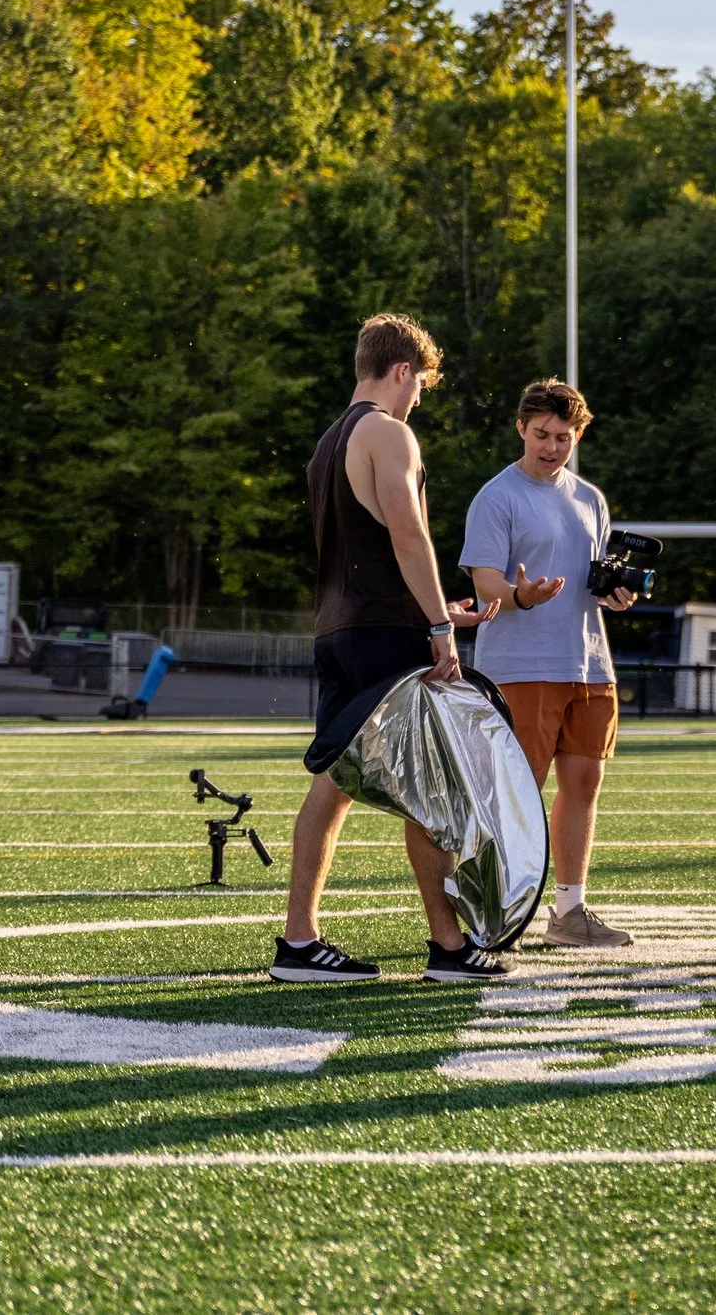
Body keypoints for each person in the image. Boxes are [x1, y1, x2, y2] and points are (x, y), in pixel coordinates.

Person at [276, 315, 500, 985]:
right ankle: (449, 947)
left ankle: (298, 942)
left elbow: (365, 553)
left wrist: (435, 606)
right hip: (386, 637)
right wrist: (438, 626)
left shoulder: (327, 443)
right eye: (421, 384)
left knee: (333, 785)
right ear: (403, 370)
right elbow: (406, 532)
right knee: (433, 788)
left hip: (338, 632)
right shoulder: (388, 431)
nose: (418, 399)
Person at [460, 380, 640, 949]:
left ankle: (569, 912)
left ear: (577, 436)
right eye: (542, 434)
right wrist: (520, 596)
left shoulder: (590, 497)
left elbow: (594, 580)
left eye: (564, 437)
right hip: (521, 664)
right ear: (521, 428)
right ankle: (498, 910)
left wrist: (617, 594)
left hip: (589, 662)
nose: (552, 447)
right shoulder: (497, 497)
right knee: (518, 792)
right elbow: (485, 583)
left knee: (583, 784)